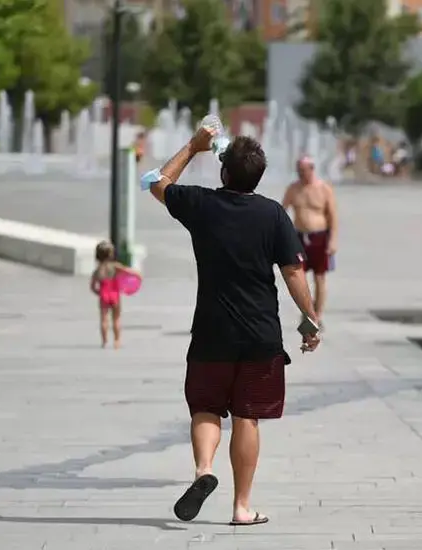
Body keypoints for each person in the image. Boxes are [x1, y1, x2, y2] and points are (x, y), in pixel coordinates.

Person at [141, 127, 321, 527]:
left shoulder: (201, 204)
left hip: (210, 332)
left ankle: (204, 471)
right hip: (260, 336)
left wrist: (193, 145)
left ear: (224, 173)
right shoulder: (273, 213)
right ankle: (242, 507)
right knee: (247, 416)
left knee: (205, 407)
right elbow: (293, 271)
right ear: (257, 177)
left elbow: (156, 182)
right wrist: (310, 321)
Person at [281, 156, 338, 327]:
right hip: (299, 237)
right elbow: (282, 212)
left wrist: (333, 240)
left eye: (304, 171)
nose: (301, 174)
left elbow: (333, 217)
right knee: (299, 277)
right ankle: (307, 312)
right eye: (299, 171)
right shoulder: (293, 189)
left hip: (319, 237)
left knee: (319, 277)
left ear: (312, 169)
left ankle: (318, 315)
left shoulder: (324, 189)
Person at [90, 241, 141, 349]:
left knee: (104, 319)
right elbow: (128, 271)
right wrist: (138, 276)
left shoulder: (97, 271)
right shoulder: (115, 266)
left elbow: (93, 287)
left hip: (104, 296)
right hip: (115, 295)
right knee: (116, 319)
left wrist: (99, 293)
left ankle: (104, 341)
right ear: (111, 254)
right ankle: (117, 341)